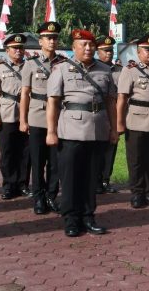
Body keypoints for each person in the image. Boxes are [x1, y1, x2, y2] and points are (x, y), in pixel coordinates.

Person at [46, 29, 118, 237]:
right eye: (83, 45)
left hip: (97, 129)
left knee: (91, 177)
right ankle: (71, 218)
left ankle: (88, 216)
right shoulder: (61, 69)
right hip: (71, 131)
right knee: (70, 177)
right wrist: (51, 131)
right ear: (73, 47)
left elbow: (111, 102)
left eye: (90, 45)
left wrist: (114, 129)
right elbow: (53, 102)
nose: (88, 49)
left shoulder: (104, 70)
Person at [116, 34, 149, 209]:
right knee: (136, 159)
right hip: (136, 121)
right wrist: (119, 123)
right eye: (147, 50)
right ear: (139, 52)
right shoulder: (130, 70)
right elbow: (122, 99)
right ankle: (137, 193)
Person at [19, 22, 66, 214]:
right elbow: (24, 94)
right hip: (37, 116)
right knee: (37, 161)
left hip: (58, 118)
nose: (52, 41)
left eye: (55, 37)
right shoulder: (30, 64)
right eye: (48, 38)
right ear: (40, 41)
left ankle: (51, 196)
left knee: (55, 162)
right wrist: (23, 120)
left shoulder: (63, 64)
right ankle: (38, 197)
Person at [0, 33, 28, 200]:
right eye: (15, 48)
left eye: (20, 48)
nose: (18, 51)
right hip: (7, 115)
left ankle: (23, 184)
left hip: (26, 115)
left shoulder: (30, 67)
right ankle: (8, 185)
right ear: (7, 50)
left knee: (26, 153)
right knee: (7, 152)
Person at [94, 35, 122, 194]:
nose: (109, 53)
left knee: (111, 148)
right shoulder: (94, 68)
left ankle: (105, 180)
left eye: (111, 50)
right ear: (98, 51)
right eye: (105, 50)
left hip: (113, 115)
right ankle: (95, 179)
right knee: (96, 149)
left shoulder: (119, 70)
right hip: (97, 113)